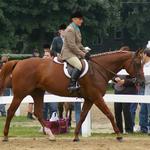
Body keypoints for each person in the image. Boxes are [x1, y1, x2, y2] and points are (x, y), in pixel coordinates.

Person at [60, 11, 90, 92]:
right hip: (68, 53)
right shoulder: (70, 29)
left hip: (74, 52)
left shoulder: (76, 29)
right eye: (80, 19)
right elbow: (72, 46)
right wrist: (83, 54)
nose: (82, 21)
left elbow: (79, 44)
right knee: (78, 65)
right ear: (74, 19)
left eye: (82, 19)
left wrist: (86, 52)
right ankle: (72, 85)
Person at [42, 44, 58, 120]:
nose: (44, 57)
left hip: (53, 93)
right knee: (43, 110)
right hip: (43, 93)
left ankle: (54, 126)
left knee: (53, 110)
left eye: (47, 55)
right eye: (44, 55)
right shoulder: (40, 67)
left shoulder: (56, 68)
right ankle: (44, 126)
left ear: (52, 57)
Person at [138, 47, 150, 134]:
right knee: (143, 111)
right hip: (145, 90)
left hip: (148, 89)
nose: (142, 56)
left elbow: (146, 78)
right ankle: (143, 128)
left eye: (143, 54)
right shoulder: (142, 65)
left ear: (146, 55)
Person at [27, 49, 40, 120]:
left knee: (32, 100)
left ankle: (30, 113)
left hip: (33, 81)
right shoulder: (33, 61)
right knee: (31, 100)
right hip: (32, 82)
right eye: (36, 53)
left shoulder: (33, 60)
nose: (37, 54)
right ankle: (29, 113)